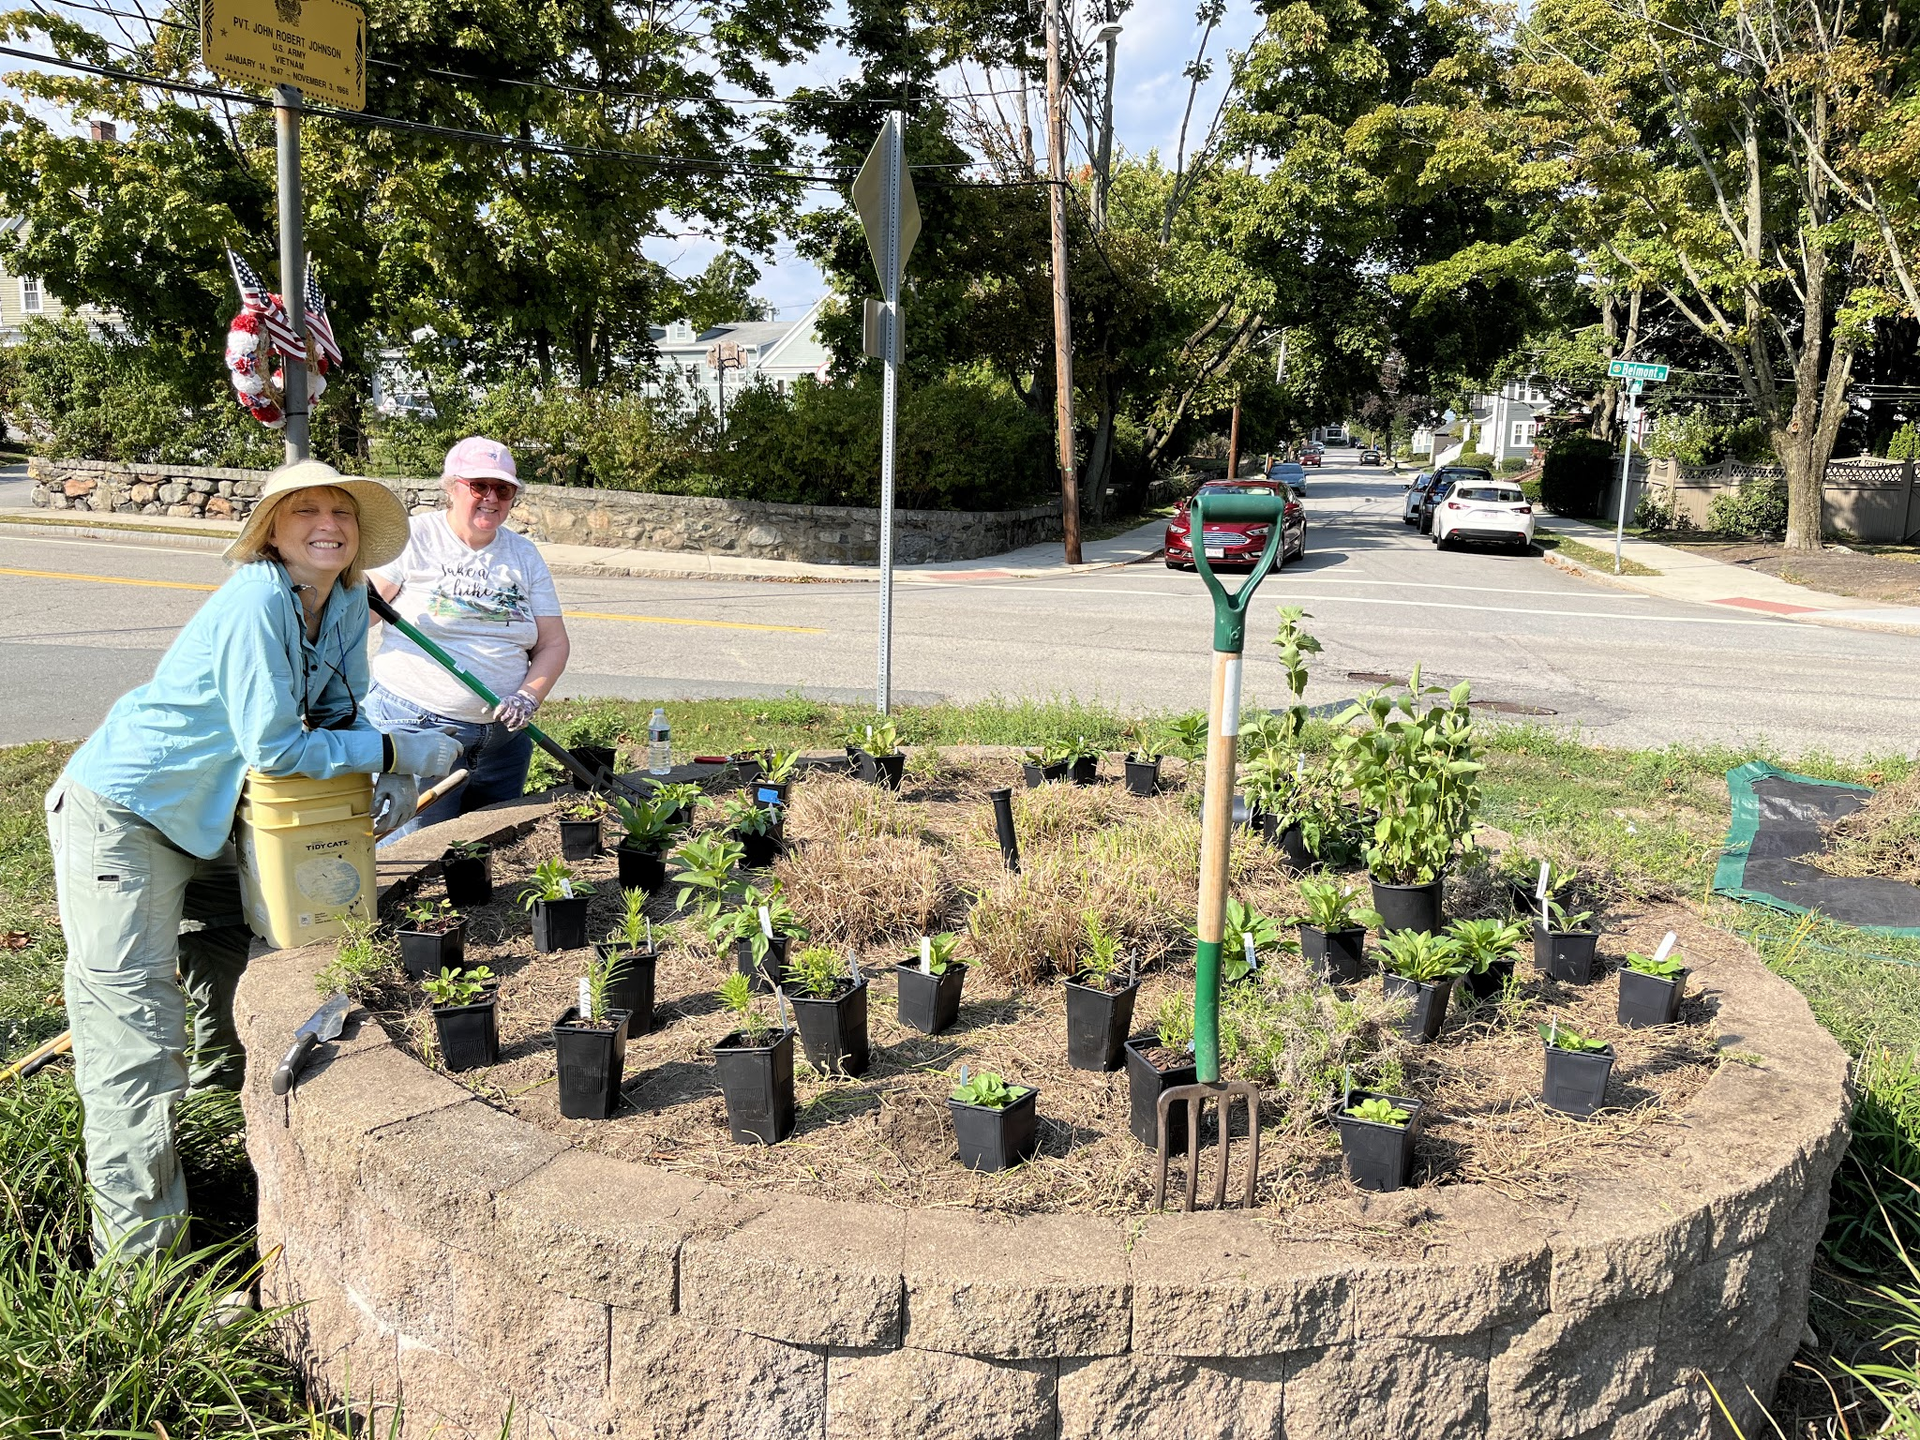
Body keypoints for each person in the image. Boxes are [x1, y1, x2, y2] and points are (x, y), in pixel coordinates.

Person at [45, 460, 461, 1262]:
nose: (328, 524)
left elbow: (336, 714)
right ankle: (144, 1281)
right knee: (133, 1037)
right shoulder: (254, 600)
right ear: (271, 530)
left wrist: (386, 778)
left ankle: (213, 1166)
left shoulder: (344, 599)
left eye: (341, 510)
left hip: (214, 822)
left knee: (246, 984)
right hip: (126, 816)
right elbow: (273, 742)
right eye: (305, 510)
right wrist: (393, 747)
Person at [366, 437, 571, 841]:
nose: (492, 498)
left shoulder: (523, 555)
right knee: (410, 856)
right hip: (418, 733)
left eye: (504, 489)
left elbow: (553, 643)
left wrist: (528, 696)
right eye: (480, 486)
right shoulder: (414, 538)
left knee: (489, 853)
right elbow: (357, 618)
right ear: (452, 486)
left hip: (503, 742)